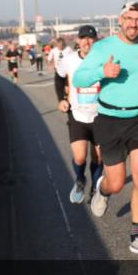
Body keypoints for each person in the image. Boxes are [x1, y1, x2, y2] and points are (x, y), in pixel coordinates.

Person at [73, 2, 138, 257]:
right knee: (116, 183)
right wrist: (101, 72)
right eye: (129, 18)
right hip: (109, 120)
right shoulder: (103, 47)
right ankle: (102, 190)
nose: (133, 24)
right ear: (120, 20)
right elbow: (79, 78)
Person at [57, 25, 104, 204]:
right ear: (78, 41)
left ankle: (95, 188)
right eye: (83, 38)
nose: (87, 41)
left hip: (100, 116)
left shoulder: (103, 59)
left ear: (95, 41)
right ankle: (80, 180)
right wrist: (61, 98)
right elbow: (59, 77)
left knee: (98, 156)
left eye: (90, 38)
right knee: (79, 156)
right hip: (76, 114)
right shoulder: (69, 60)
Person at [51, 38, 68, 106]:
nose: (60, 47)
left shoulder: (68, 49)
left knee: (67, 89)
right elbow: (49, 58)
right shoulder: (54, 50)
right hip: (58, 72)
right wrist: (51, 64)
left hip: (67, 72)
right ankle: (61, 102)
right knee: (59, 87)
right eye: (58, 46)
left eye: (61, 46)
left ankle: (67, 99)